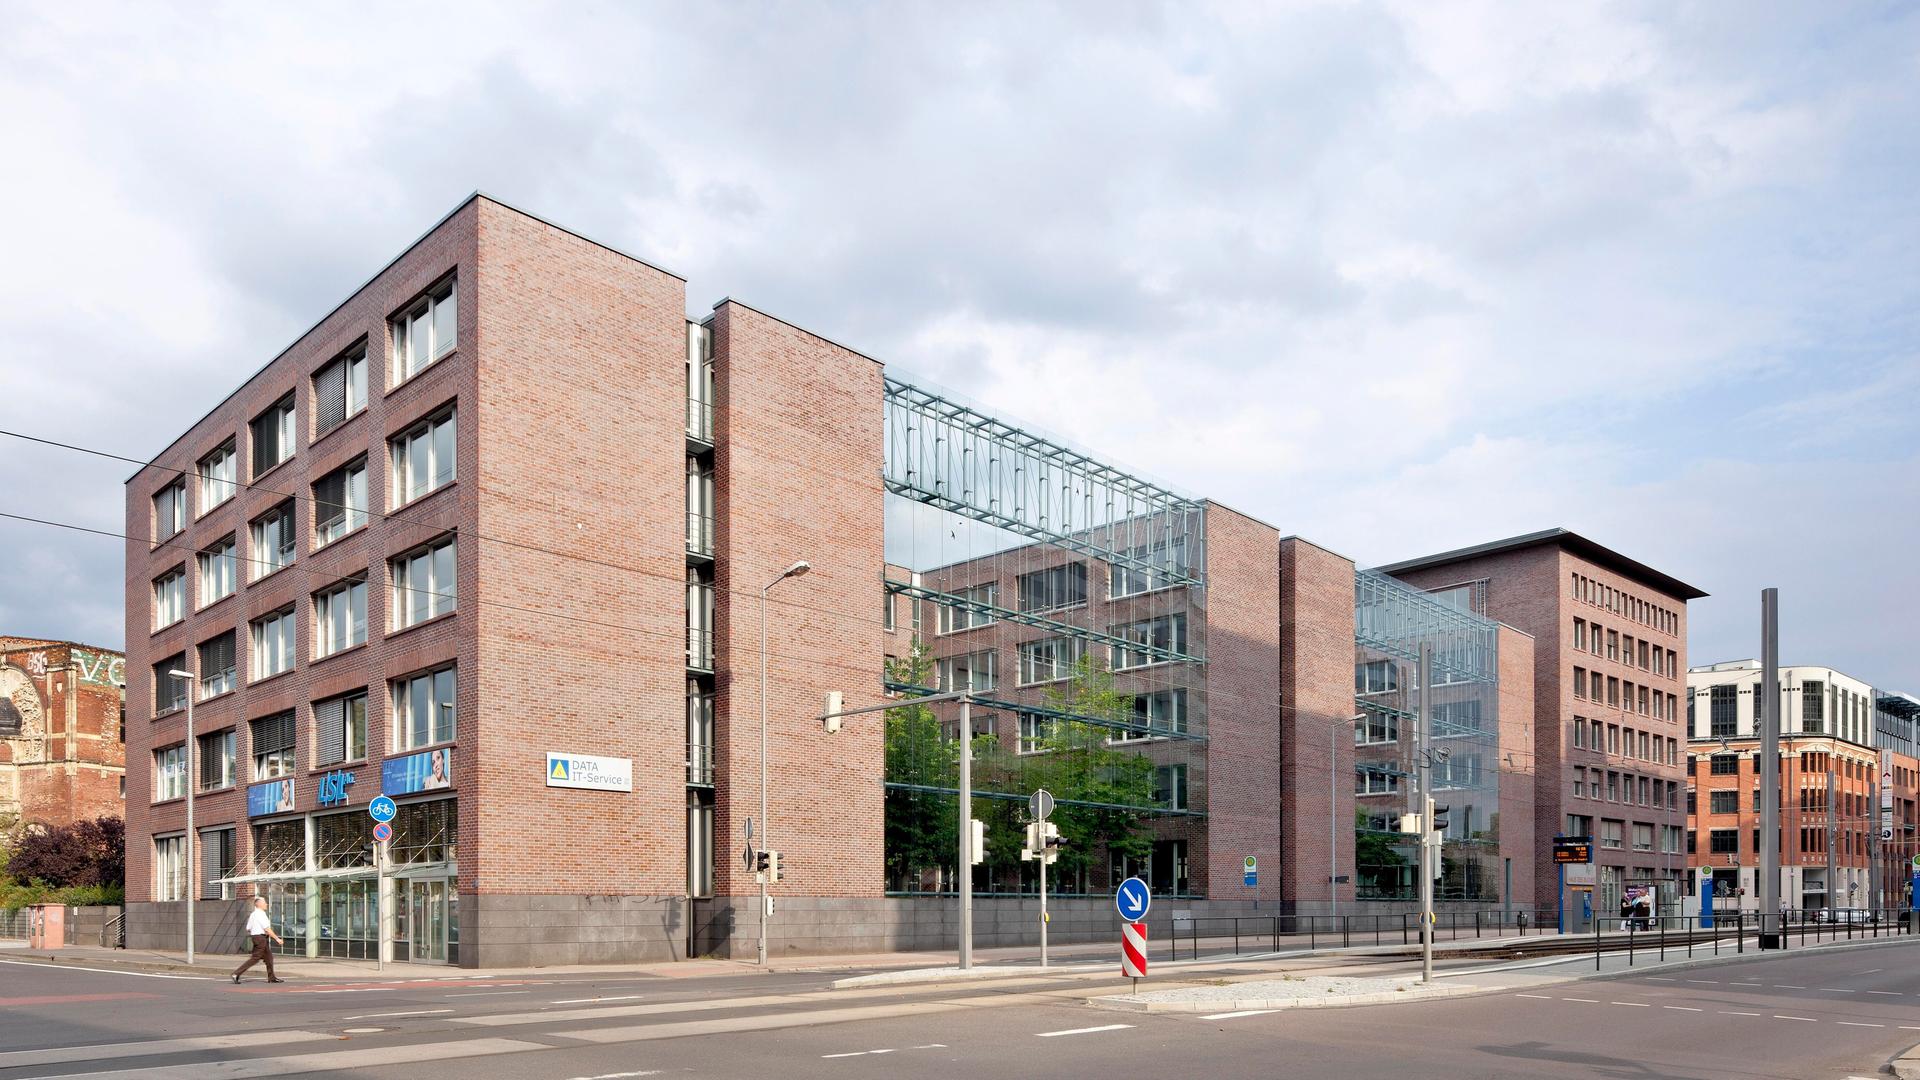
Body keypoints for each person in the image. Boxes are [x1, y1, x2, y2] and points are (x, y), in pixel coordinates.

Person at [233, 896, 285, 984]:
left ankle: (272, 978)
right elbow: (267, 929)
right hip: (260, 938)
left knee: (269, 958)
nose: (266, 904)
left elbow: (248, 928)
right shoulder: (261, 914)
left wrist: (256, 931)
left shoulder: (253, 914)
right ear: (259, 904)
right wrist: (277, 939)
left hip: (256, 937)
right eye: (265, 902)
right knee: (255, 958)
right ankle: (236, 973)